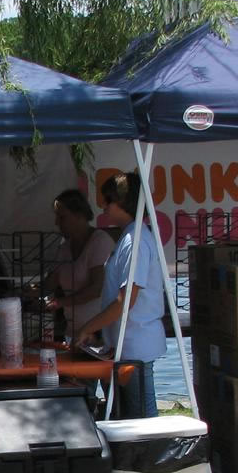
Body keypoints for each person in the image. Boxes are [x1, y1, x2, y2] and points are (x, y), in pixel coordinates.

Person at [75, 172, 165, 419]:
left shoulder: (136, 240)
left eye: (108, 201)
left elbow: (125, 301)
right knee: (130, 416)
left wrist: (88, 327)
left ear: (123, 202)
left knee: (142, 418)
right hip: (125, 346)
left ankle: (152, 445)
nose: (103, 207)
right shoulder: (129, 236)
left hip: (136, 346)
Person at [46, 189, 114, 340]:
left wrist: (59, 303)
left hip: (99, 335)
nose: (57, 223)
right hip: (74, 334)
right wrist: (23, 293)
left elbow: (96, 289)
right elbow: (50, 283)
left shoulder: (100, 242)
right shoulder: (64, 248)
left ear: (79, 215)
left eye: (62, 217)